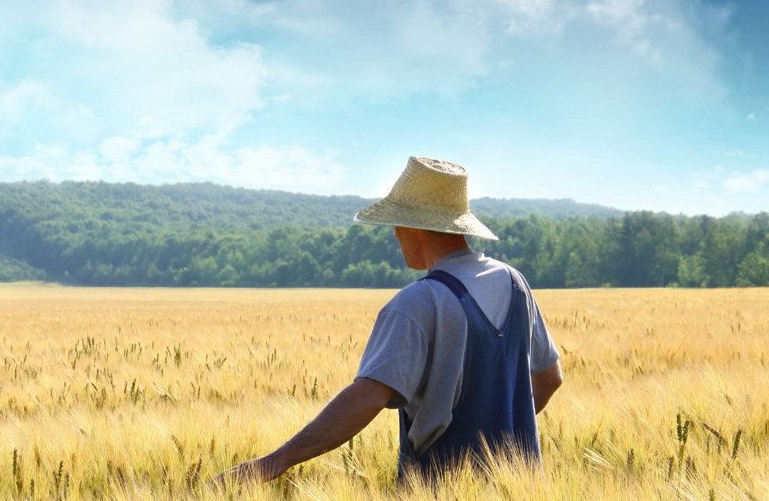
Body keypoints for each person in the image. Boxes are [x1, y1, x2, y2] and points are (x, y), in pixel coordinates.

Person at [218, 156, 563, 484]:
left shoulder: (418, 302)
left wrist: (277, 461)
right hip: (522, 492)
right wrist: (498, 441)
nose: (395, 235)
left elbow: (368, 397)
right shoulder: (514, 283)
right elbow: (550, 378)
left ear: (412, 228)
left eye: (396, 225)